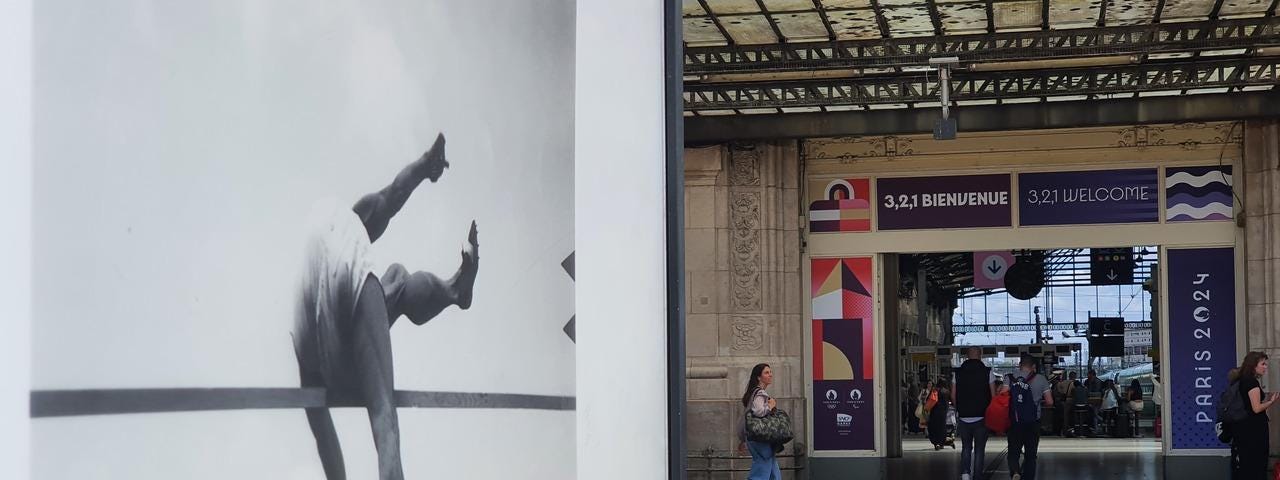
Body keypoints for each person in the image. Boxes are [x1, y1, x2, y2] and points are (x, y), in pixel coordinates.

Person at [293, 133, 481, 480]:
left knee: (394, 278)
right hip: (343, 315)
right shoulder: (355, 229)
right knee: (385, 424)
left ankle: (455, 291)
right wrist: (426, 166)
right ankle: (455, 292)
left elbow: (319, 426)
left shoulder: (337, 235)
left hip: (312, 346)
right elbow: (394, 194)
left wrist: (425, 166)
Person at [1232, 352, 1277, 480]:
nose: (1265, 367)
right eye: (1263, 364)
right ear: (1253, 366)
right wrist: (1271, 401)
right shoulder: (1251, 382)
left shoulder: (1242, 380)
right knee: (1256, 464)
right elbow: (1256, 408)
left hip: (1244, 429)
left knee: (1247, 465)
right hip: (1254, 431)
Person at [1007, 355, 1053, 480]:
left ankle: (1015, 471)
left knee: (1013, 451)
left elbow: (1003, 397)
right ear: (1033, 367)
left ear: (1019, 365)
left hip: (1014, 421)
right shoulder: (1041, 379)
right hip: (1033, 421)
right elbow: (1049, 401)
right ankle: (1028, 477)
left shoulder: (1010, 378)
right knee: (1031, 454)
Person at [954, 347, 994, 480]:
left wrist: (958, 408)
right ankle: (977, 475)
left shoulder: (957, 373)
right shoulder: (988, 372)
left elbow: (953, 395)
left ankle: (965, 473)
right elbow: (993, 396)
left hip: (964, 416)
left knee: (966, 447)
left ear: (967, 356)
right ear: (980, 356)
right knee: (979, 449)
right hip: (982, 416)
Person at [739, 363, 782, 480]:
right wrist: (771, 406)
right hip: (760, 437)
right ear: (759, 377)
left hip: (755, 437)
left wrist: (743, 439)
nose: (770, 375)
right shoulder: (760, 393)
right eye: (766, 373)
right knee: (762, 468)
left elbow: (745, 417)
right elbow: (759, 412)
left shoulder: (753, 392)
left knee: (772, 469)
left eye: (770, 372)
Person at [927, 379, 953, 450]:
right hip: (943, 412)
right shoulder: (947, 391)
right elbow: (951, 400)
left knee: (934, 427)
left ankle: (936, 442)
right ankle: (941, 442)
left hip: (934, 411)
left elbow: (929, 399)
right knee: (942, 426)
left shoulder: (935, 390)